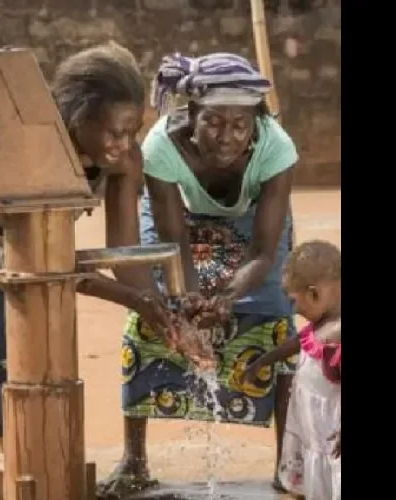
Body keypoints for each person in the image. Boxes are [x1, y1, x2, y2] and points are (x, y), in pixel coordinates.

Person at [0, 42, 171, 500]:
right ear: (78, 119)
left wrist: (158, 304)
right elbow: (45, 266)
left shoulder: (124, 161)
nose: (123, 145)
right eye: (114, 132)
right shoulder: (34, 153)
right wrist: (138, 301)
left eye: (132, 132)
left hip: (33, 235)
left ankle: (27, 460)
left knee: (39, 338)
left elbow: (122, 250)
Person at [98, 52, 301, 497]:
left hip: (254, 229)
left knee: (274, 316)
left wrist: (226, 296)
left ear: (254, 125)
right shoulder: (161, 148)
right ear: (192, 115)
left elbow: (265, 251)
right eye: (213, 122)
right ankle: (134, 461)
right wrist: (189, 303)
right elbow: (173, 244)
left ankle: (288, 463)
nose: (226, 137)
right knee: (157, 316)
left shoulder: (276, 149)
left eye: (239, 125)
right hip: (181, 222)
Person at [242, 239, 341, 499]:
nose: (294, 309)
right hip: (315, 434)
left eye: (294, 302)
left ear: (314, 294)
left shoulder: (338, 333)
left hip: (334, 437)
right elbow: (299, 343)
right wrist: (263, 361)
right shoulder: (321, 324)